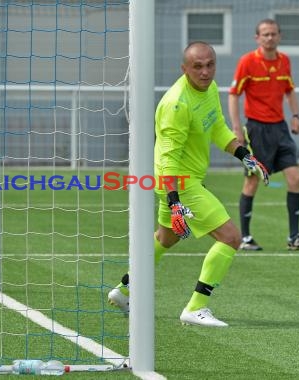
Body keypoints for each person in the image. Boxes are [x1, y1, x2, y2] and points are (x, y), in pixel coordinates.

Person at [107, 41, 269, 327]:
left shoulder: (208, 90)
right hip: (178, 183)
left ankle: (123, 290)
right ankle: (196, 307)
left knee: (165, 239)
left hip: (180, 182)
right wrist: (175, 201)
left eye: (210, 65)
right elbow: (168, 159)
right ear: (184, 69)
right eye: (198, 67)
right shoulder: (176, 104)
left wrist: (245, 156)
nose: (205, 72)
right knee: (231, 238)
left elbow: (217, 127)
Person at [228, 18, 299, 251]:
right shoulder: (247, 62)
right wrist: (237, 128)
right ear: (257, 38)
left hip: (280, 128)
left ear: (279, 36)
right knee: (252, 181)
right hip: (256, 129)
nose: (270, 38)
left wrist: (296, 116)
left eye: (273, 34)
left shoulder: (284, 61)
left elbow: (290, 91)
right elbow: (234, 94)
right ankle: (245, 238)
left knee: (295, 178)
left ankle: (294, 237)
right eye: (265, 34)